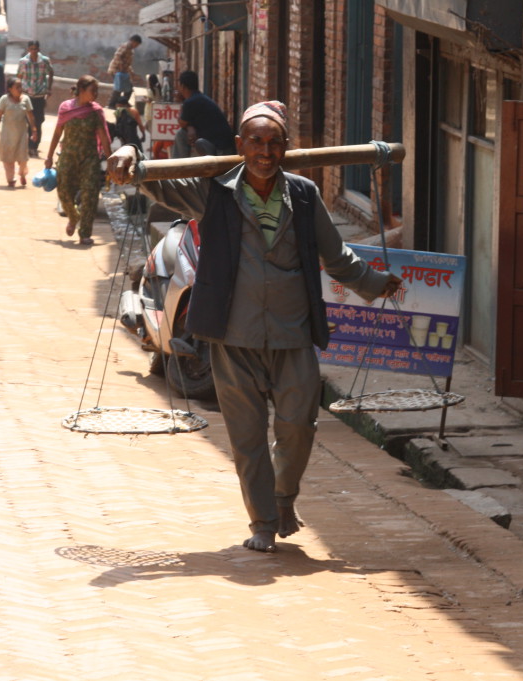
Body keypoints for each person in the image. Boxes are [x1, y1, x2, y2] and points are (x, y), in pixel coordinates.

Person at [107, 101, 403, 553]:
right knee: (246, 437)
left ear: (286, 147)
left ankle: (284, 498)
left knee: (298, 426)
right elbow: (156, 181)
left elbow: (335, 255)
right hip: (233, 336)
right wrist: (128, 152)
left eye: (274, 143)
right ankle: (263, 521)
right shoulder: (214, 193)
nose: (265, 152)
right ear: (240, 146)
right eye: (256, 142)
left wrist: (374, 283)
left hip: (293, 333)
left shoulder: (303, 195)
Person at [45, 75, 112, 246]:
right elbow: (58, 132)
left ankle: (85, 233)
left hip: (90, 159)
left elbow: (104, 137)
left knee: (90, 195)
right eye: (92, 91)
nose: (96, 94)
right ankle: (73, 217)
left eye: (97, 91)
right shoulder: (65, 108)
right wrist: (49, 156)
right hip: (68, 156)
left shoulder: (96, 112)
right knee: (64, 192)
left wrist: (111, 161)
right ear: (81, 91)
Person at [171, 70, 235, 157]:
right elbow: (188, 122)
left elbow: (182, 122)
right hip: (222, 144)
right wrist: (189, 126)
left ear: (182, 86)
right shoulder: (199, 98)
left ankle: (180, 167)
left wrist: (182, 102)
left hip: (220, 149)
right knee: (183, 133)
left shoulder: (190, 102)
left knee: (181, 135)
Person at [0, 78, 38, 188]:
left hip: (22, 134)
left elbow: (31, 116)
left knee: (23, 158)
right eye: (17, 87)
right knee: (8, 157)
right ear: (10, 89)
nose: (20, 89)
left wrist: (34, 130)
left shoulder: (26, 99)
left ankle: (22, 174)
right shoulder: (4, 99)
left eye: (20, 86)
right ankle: (11, 179)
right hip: (7, 134)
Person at [16, 40, 54, 158]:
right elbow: (19, 77)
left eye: (35, 49)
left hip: (39, 95)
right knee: (26, 121)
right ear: (28, 49)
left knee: (38, 121)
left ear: (38, 49)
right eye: (31, 49)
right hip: (27, 95)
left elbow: (51, 73)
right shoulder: (23, 62)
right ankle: (27, 146)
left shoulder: (45, 61)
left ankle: (34, 146)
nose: (33, 51)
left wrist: (48, 88)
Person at [107, 34, 142, 107]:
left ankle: (124, 102)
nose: (137, 46)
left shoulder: (131, 50)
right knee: (118, 88)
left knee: (129, 88)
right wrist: (121, 68)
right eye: (137, 44)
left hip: (124, 71)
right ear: (133, 41)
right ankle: (112, 104)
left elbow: (128, 64)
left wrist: (132, 73)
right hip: (116, 71)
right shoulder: (125, 46)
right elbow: (117, 57)